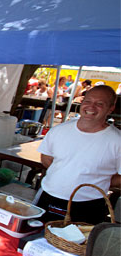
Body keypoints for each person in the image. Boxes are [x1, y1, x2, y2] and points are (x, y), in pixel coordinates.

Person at [37, 85, 121, 224]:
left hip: (89, 204)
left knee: (78, 245)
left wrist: (101, 181)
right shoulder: (59, 130)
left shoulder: (117, 140)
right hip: (49, 197)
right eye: (88, 101)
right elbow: (46, 159)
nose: (91, 107)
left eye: (100, 104)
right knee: (36, 239)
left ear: (111, 108)